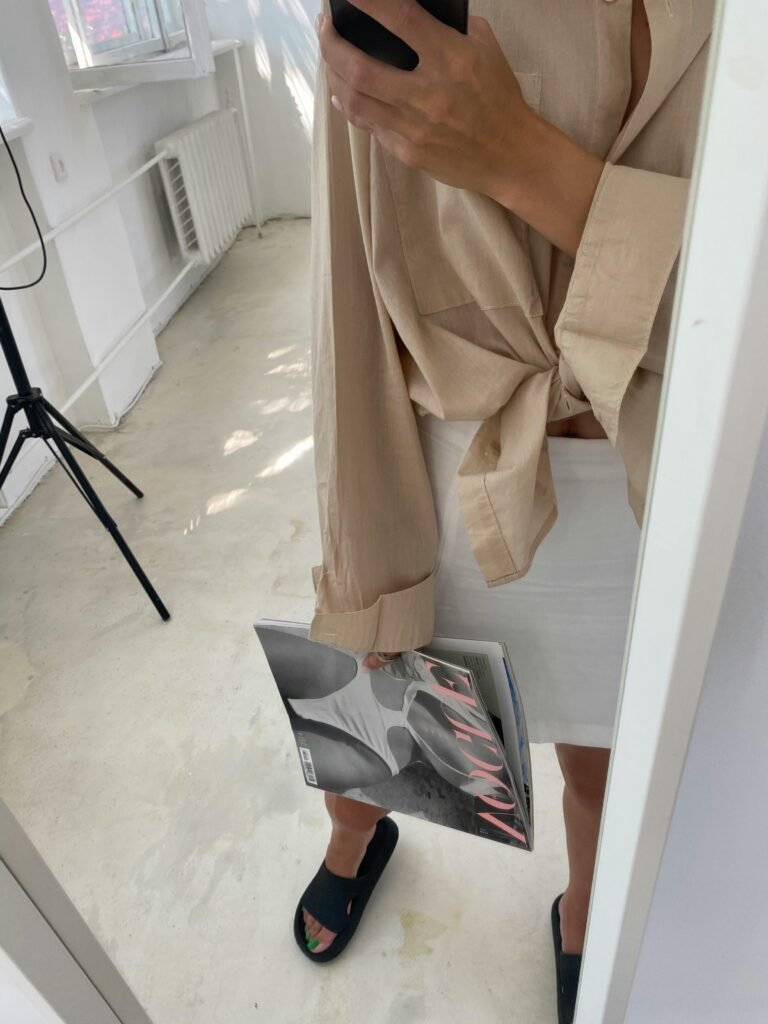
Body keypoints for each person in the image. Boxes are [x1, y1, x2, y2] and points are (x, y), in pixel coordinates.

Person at [299, 1, 713, 1020]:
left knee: (601, 765)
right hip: (452, 461)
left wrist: (520, 157)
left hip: (657, 473)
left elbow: (741, 298)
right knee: (379, 698)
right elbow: (351, 293)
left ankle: (584, 913)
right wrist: (365, 575)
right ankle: (353, 836)